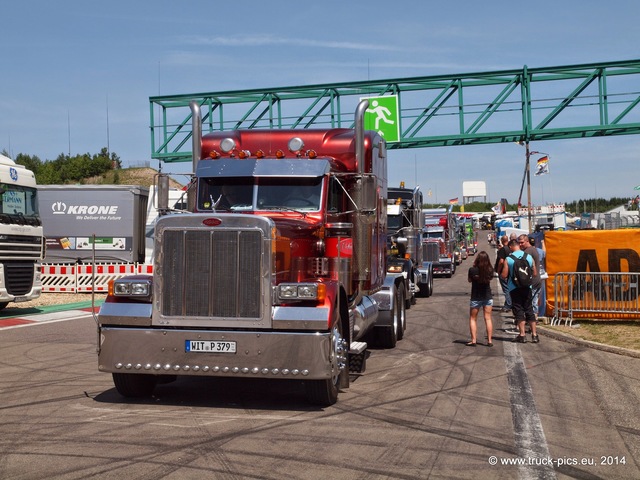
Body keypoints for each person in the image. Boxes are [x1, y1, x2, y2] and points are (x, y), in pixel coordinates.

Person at [501, 238, 538, 343]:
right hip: (527, 287)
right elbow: (534, 273)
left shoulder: (509, 259)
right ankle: (534, 335)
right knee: (529, 309)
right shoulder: (529, 257)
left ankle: (522, 335)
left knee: (519, 310)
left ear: (511, 247)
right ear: (518, 245)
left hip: (514, 288)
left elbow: (504, 275)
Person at [466, 251, 494, 347]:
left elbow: (469, 280)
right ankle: (489, 340)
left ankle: (473, 340)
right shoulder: (490, 270)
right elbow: (490, 279)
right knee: (488, 318)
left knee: (473, 318)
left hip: (476, 296)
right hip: (487, 296)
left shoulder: (472, 270)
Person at [518, 234, 542, 319]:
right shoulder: (534, 250)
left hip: (532, 280)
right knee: (534, 301)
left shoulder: (528, 252)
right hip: (537, 280)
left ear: (527, 241)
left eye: (522, 242)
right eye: (519, 243)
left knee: (529, 302)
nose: (520, 245)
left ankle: (531, 320)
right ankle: (534, 319)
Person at [494, 234, 512, 313]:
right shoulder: (510, 248)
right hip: (510, 271)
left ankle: (508, 304)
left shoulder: (503, 249)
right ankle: (507, 304)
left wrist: (498, 270)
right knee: (508, 288)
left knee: (506, 289)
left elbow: (501, 262)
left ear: (502, 241)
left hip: (503, 272)